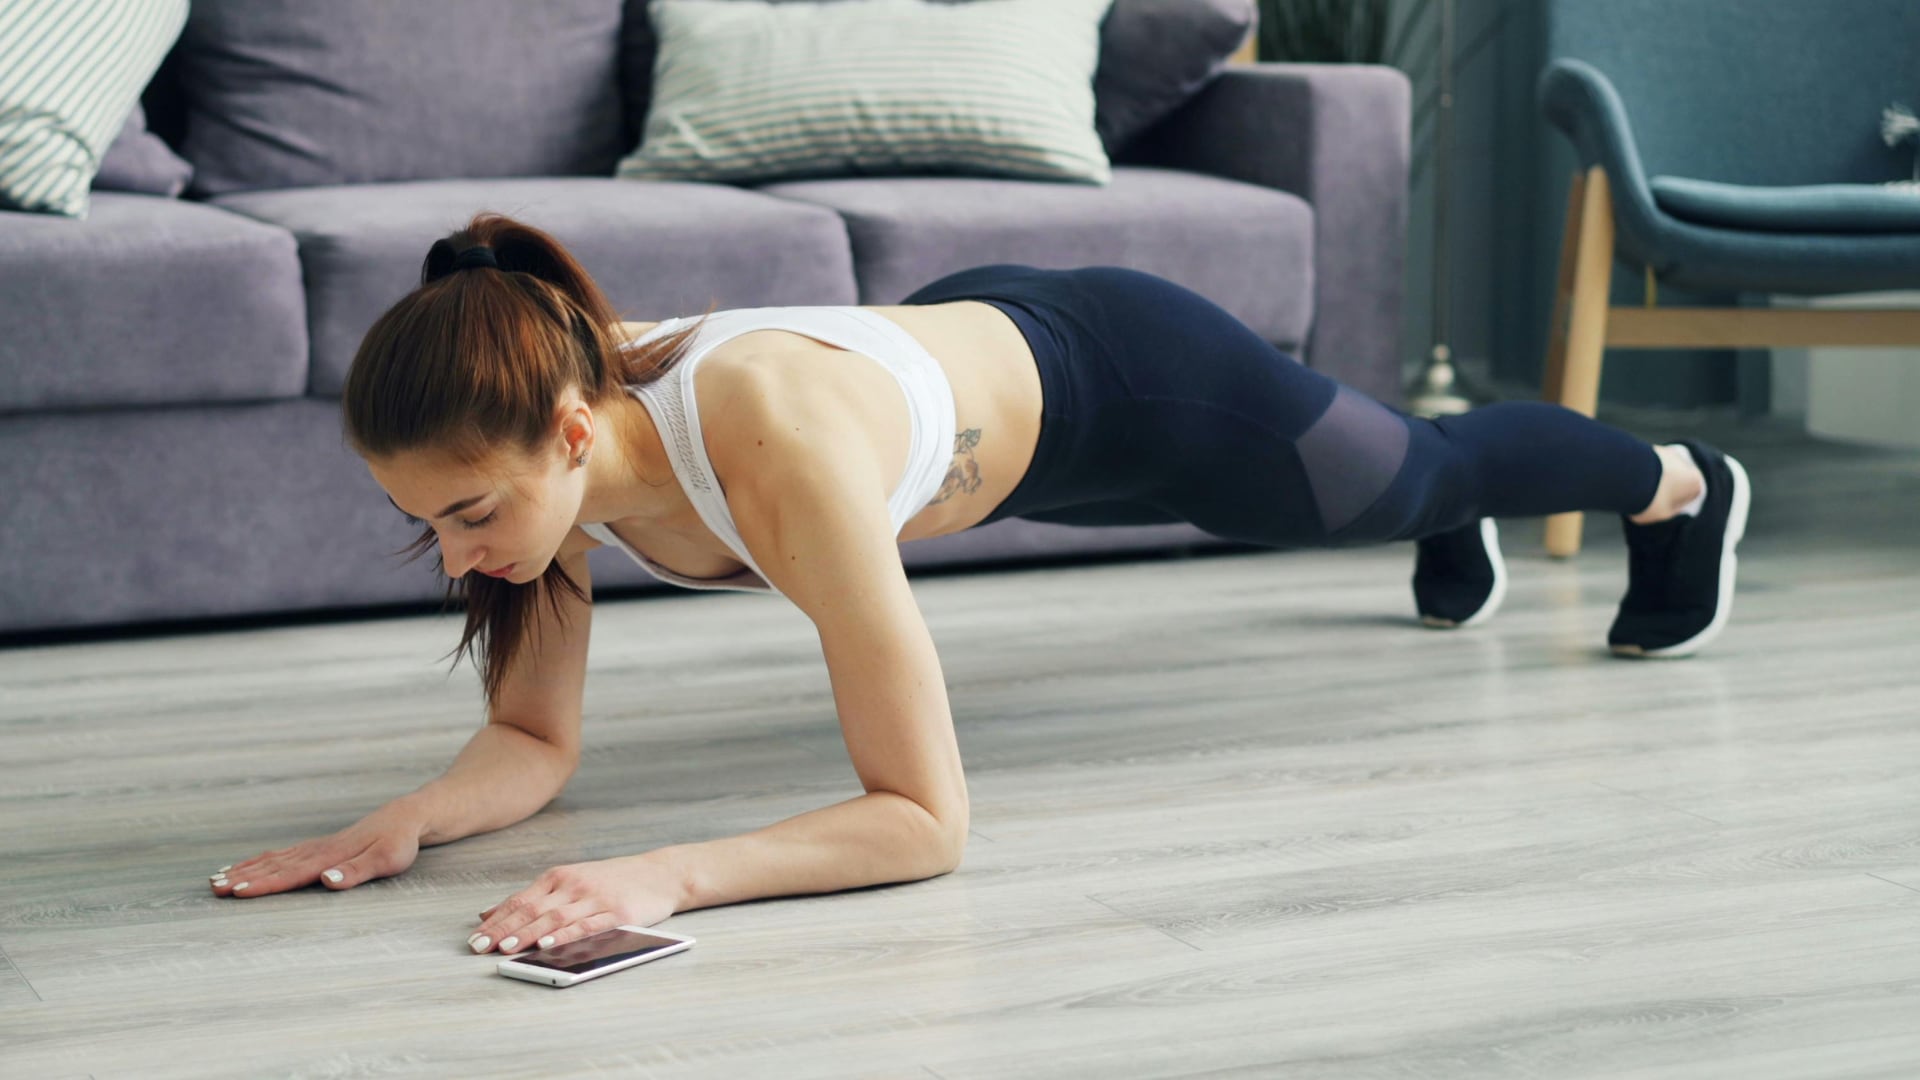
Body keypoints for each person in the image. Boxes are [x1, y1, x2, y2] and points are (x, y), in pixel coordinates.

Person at [205, 212, 1750, 957]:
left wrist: (662, 876)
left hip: (1129, 382)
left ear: (572, 430)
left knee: (1423, 468)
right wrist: (399, 819)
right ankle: (1424, 520)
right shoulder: (543, 454)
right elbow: (536, 749)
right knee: (1368, 491)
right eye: (428, 527)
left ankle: (1679, 486)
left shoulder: (772, 444)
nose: (459, 555)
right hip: (968, 388)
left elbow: (925, 821)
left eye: (471, 514)